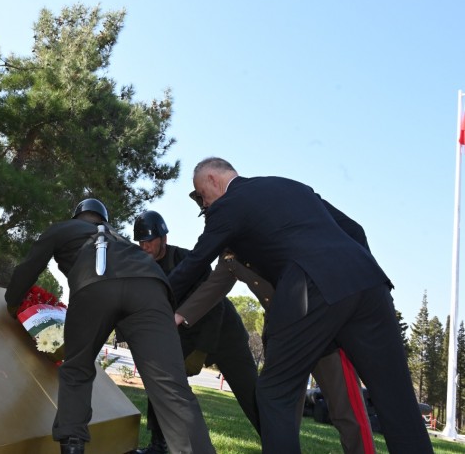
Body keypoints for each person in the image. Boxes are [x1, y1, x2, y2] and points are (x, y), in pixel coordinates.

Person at [167, 157, 432, 454]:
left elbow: (196, 260)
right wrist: (354, 277)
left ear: (213, 179)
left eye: (202, 195)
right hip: (369, 282)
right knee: (396, 397)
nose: (205, 205)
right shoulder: (292, 187)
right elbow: (354, 229)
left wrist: (159, 299)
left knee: (274, 393)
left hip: (309, 289)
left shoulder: (229, 204)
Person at [5, 199, 215, 454]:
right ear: (103, 219)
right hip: (152, 288)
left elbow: (28, 269)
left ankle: (72, 445)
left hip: (95, 284)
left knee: (77, 369)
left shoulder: (62, 229)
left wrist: (13, 304)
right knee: (171, 385)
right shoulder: (119, 239)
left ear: (76, 217)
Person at [179, 190, 375, 454]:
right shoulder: (229, 254)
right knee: (279, 411)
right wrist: (177, 317)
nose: (210, 218)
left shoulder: (268, 226)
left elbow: (348, 232)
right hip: (283, 334)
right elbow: (213, 288)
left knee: (346, 411)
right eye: (207, 213)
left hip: (322, 325)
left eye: (213, 209)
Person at [131, 210, 260, 454]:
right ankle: (160, 445)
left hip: (223, 334)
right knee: (160, 380)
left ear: (164, 238)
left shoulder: (188, 261)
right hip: (181, 337)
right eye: (141, 242)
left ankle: (278, 443)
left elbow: (214, 305)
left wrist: (201, 350)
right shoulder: (141, 268)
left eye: (150, 240)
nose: (145, 246)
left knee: (252, 397)